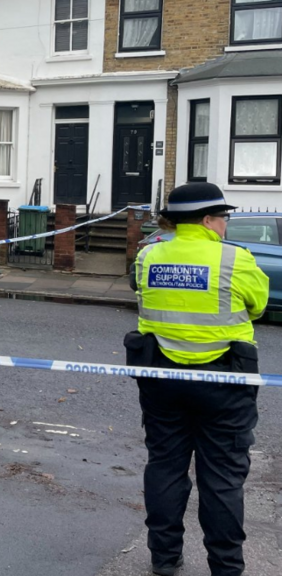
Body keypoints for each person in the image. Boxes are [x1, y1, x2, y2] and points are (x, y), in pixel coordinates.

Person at [126, 182, 269, 576]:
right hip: (225, 381)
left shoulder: (148, 256)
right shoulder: (235, 260)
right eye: (224, 217)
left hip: (161, 378)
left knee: (166, 466)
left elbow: (138, 290)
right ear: (207, 219)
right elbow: (257, 306)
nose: (226, 224)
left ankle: (164, 559)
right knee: (222, 475)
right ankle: (225, 567)